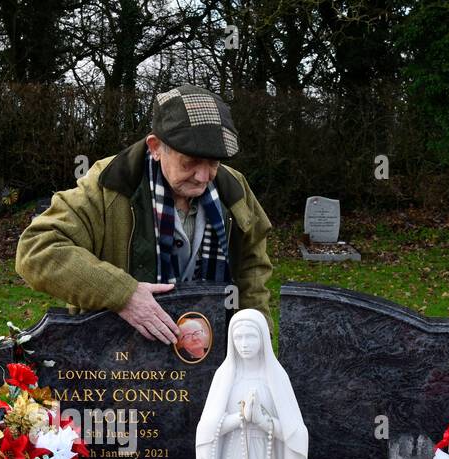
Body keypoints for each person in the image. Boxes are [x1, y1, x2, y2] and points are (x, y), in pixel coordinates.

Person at [15, 85, 272, 344]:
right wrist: (123, 293)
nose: (203, 177)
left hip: (211, 359)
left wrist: (257, 338)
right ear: (155, 147)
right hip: (118, 358)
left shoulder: (234, 189)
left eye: (214, 163)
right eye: (190, 162)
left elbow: (252, 269)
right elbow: (36, 250)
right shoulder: (109, 184)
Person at [195, 310, 308, 459]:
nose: (244, 344)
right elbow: (206, 429)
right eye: (239, 337)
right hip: (232, 456)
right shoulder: (224, 375)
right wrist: (240, 419)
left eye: (251, 337)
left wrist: (262, 421)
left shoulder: (276, 376)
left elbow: (296, 434)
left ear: (264, 338)